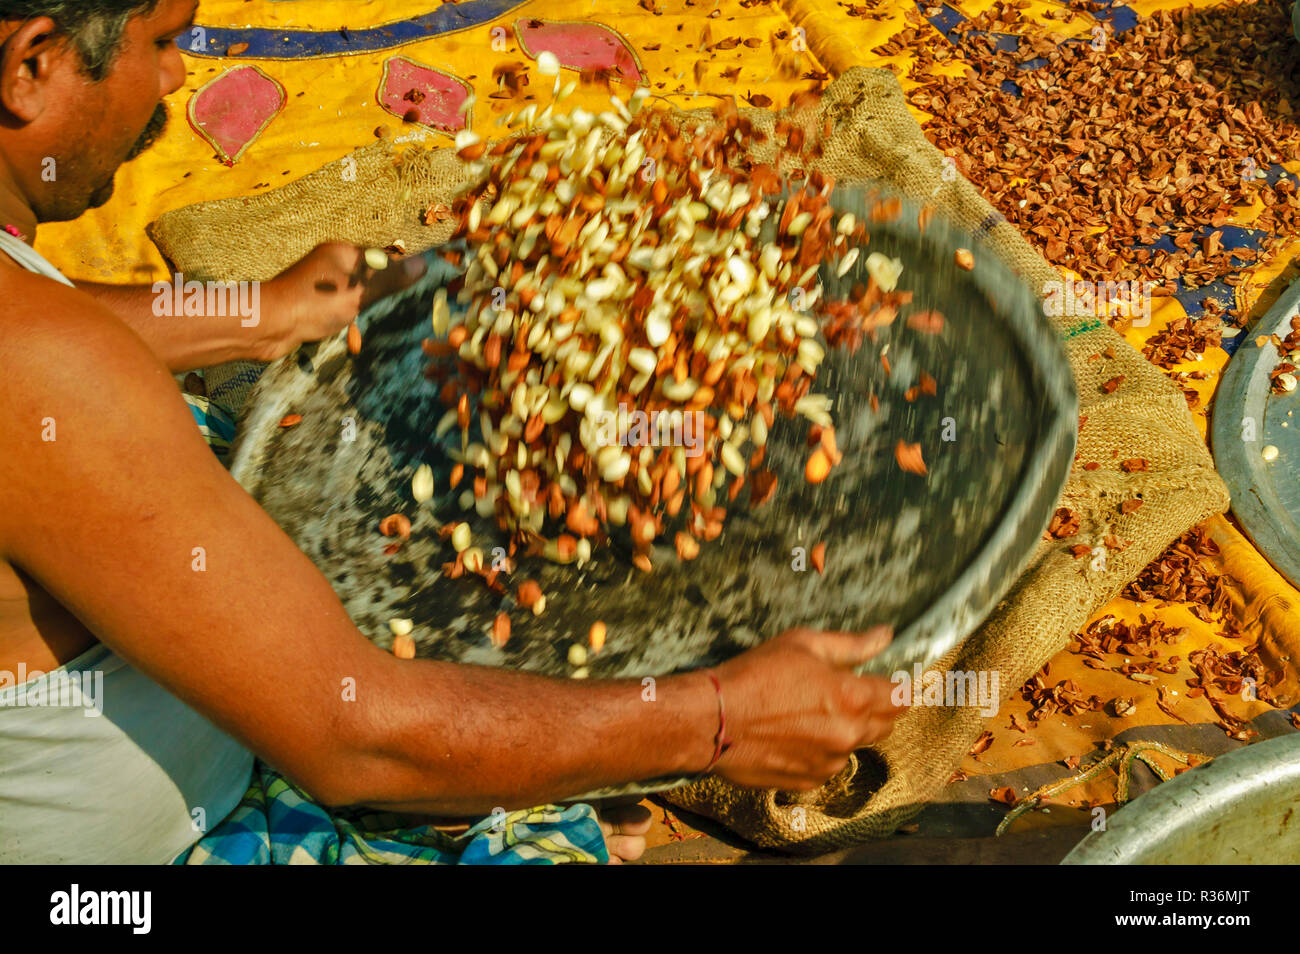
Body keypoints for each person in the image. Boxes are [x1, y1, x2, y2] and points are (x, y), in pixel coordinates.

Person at [0, 0, 906, 864]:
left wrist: (267, 311)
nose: (176, 75)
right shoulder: (50, 377)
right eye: (159, 41)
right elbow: (358, 742)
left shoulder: (40, 329)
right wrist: (716, 720)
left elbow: (54, 310)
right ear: (33, 65)